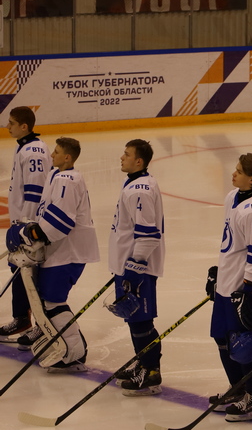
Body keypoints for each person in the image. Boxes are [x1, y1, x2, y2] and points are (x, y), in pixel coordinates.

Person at [6, 137, 100, 372]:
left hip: (67, 252)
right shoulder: (57, 176)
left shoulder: (67, 180)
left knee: (53, 301)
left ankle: (75, 352)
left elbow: (60, 222)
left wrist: (28, 234)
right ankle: (66, 344)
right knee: (48, 300)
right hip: (59, 251)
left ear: (67, 157)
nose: (52, 155)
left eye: (56, 152)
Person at [205, 153, 252, 422]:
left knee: (245, 344)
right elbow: (231, 241)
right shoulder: (233, 198)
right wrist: (218, 271)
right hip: (229, 280)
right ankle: (237, 389)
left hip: (245, 286)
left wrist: (247, 290)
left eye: (238, 171)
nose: (233, 175)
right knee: (222, 337)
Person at [106, 139, 166, 396]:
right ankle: (143, 363)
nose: (122, 157)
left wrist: (133, 268)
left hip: (138, 268)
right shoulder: (136, 182)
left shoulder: (138, 189)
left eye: (127, 154)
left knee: (141, 322)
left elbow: (149, 235)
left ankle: (151, 371)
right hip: (130, 265)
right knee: (134, 319)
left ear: (138, 161)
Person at [0, 107, 51, 342]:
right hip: (20, 222)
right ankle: (22, 318)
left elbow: (35, 192)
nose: (7, 126)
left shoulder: (34, 151)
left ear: (24, 126)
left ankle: (40, 323)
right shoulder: (24, 147)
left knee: (31, 272)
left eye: (11, 123)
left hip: (28, 224)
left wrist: (27, 229)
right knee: (19, 269)